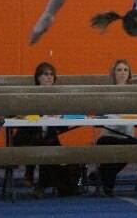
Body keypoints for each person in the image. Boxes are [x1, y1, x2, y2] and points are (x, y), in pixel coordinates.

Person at [11, 62, 82, 198]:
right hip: (27, 138)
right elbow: (13, 114)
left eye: (51, 75)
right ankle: (38, 182)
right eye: (45, 74)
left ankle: (44, 184)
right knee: (45, 144)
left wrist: (60, 117)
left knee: (49, 145)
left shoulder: (58, 98)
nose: (49, 77)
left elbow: (62, 126)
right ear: (38, 78)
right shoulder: (28, 95)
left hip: (48, 138)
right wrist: (26, 115)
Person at [92, 59, 137, 196]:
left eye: (125, 70)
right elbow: (98, 117)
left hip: (127, 137)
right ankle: (107, 185)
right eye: (119, 70)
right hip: (108, 136)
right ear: (113, 73)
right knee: (104, 144)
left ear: (129, 74)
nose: (122, 73)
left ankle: (100, 175)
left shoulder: (135, 94)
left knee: (134, 146)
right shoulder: (106, 93)